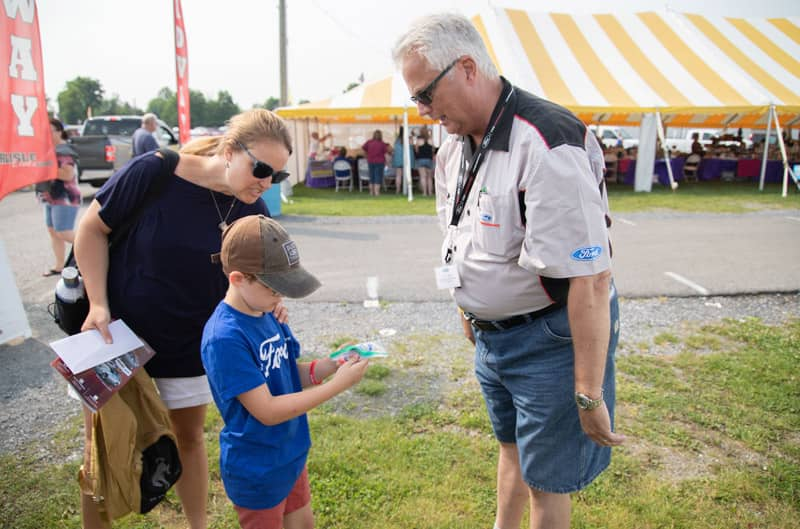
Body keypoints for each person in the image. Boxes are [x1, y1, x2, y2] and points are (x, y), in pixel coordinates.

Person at [393, 14, 623, 529]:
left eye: (425, 95)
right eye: (415, 100)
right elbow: (460, 235)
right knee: (512, 448)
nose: (424, 111)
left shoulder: (547, 140)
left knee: (547, 482)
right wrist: (467, 305)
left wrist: (588, 390)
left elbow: (590, 277)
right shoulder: (453, 144)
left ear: (468, 67)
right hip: (495, 337)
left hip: (547, 338)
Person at [74, 108, 294, 529]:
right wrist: (98, 303)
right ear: (230, 151)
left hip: (191, 345)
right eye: (261, 168)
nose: (266, 182)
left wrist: (274, 302)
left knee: (189, 439)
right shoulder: (156, 171)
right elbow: (91, 229)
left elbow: (258, 280)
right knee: (103, 447)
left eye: (277, 176)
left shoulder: (254, 210)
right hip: (115, 336)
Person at [201, 214, 369, 529]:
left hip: (289, 454)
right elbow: (266, 410)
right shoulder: (225, 338)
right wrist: (337, 387)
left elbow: (290, 374)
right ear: (238, 279)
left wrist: (333, 365)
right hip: (256, 469)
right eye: (274, 288)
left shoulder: (267, 312)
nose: (281, 297)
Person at [40, 118, 82, 276]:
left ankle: (94, 248)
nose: (46, 134)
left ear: (59, 131)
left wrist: (44, 169)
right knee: (53, 231)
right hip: (50, 196)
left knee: (63, 232)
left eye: (50, 130)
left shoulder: (64, 150)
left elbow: (67, 174)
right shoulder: (49, 149)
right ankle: (59, 266)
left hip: (65, 197)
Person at [361, 130, 391, 196]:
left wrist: (366, 156)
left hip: (370, 161)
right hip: (380, 162)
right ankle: (377, 192)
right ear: (381, 135)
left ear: (373, 135)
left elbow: (363, 149)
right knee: (378, 177)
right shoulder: (382, 144)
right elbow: (386, 154)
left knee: (371, 177)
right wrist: (387, 163)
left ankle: (371, 192)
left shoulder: (369, 142)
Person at [391, 126, 415, 194]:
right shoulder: (409, 139)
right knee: (407, 175)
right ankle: (408, 190)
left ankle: (397, 190)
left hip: (398, 159)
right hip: (407, 159)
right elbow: (412, 146)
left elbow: (394, 149)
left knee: (398, 175)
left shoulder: (397, 139)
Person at [415, 131, 435, 196]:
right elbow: (433, 150)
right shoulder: (431, 140)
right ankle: (430, 192)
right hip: (429, 160)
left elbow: (416, 150)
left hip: (421, 159)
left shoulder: (418, 141)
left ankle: (424, 192)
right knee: (429, 177)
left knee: (423, 177)